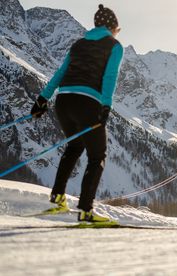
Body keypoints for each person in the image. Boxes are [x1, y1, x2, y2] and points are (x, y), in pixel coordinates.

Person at [30, 4, 124, 222]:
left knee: (74, 146)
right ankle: (85, 210)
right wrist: (106, 105)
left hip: (64, 101)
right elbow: (110, 77)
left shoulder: (78, 44)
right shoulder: (114, 46)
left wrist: (42, 99)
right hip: (87, 103)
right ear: (112, 26)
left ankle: (58, 199)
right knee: (97, 156)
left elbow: (61, 73)